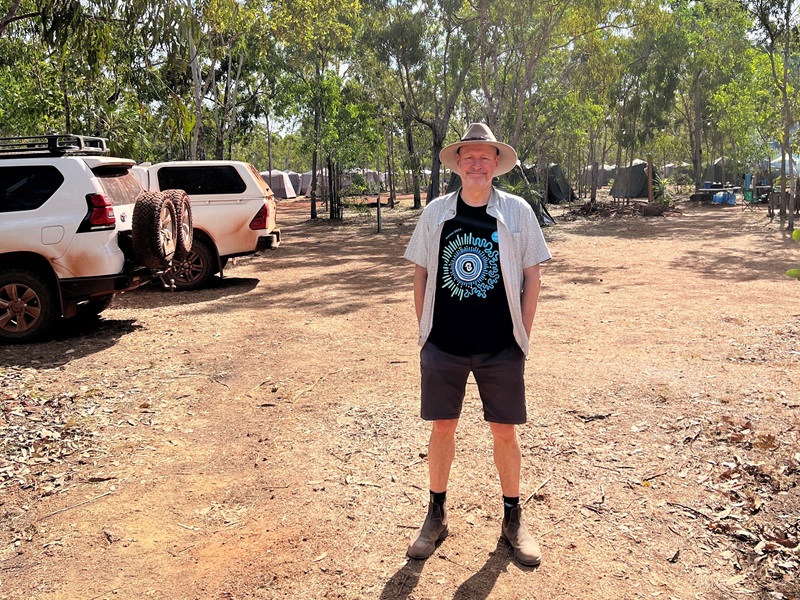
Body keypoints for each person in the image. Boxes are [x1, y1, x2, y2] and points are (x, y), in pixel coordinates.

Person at [403, 123, 551, 566]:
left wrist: (520, 337)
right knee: (442, 427)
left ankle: (512, 518)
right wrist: (426, 335)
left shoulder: (519, 212)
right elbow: (421, 276)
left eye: (486, 157)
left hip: (500, 348)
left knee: (504, 432)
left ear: (496, 165)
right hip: (444, 346)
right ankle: (436, 514)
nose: (477, 164)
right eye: (469, 156)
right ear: (457, 163)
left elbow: (532, 278)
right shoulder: (435, 214)